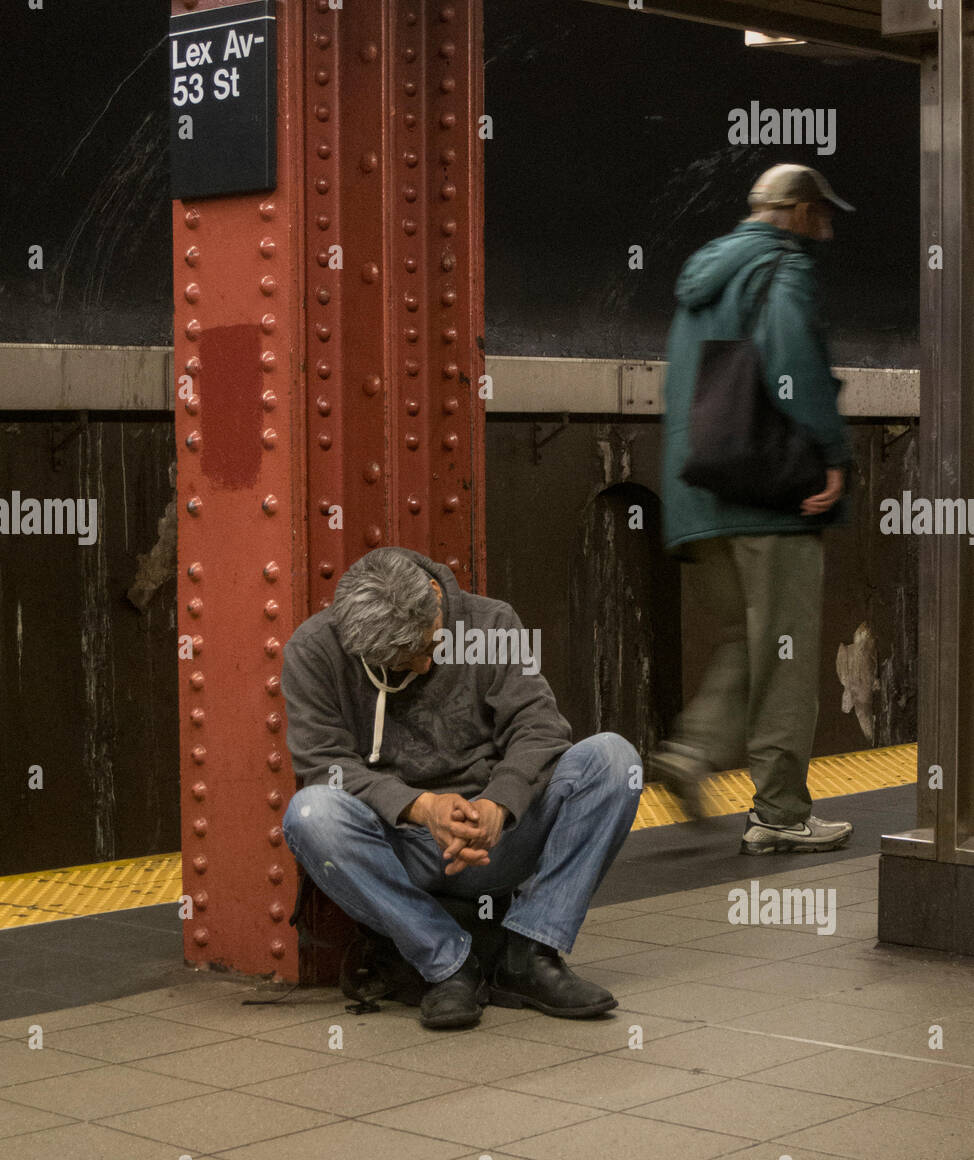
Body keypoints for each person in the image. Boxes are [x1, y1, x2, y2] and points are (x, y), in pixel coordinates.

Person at [281, 546, 642, 1029]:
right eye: (402, 661)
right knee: (311, 813)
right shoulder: (313, 649)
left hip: (499, 835)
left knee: (614, 759)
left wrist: (501, 801)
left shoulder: (492, 622)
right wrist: (420, 807)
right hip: (401, 844)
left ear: (434, 597)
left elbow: (540, 728)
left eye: (428, 647)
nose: (424, 667)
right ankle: (449, 965)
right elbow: (325, 765)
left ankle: (531, 954)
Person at [655, 164, 855, 855]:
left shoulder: (702, 275)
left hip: (697, 498)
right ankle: (780, 814)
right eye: (821, 216)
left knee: (749, 645)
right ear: (796, 211)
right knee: (787, 658)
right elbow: (791, 360)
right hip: (767, 494)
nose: (825, 229)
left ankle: (692, 751)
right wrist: (831, 452)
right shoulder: (782, 266)